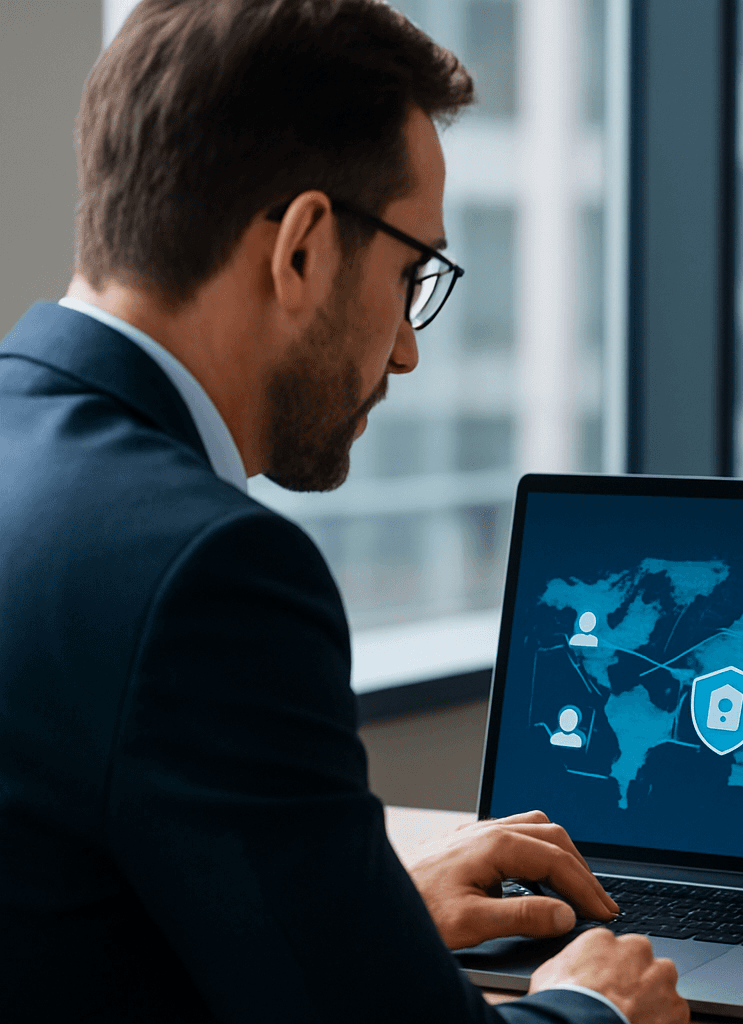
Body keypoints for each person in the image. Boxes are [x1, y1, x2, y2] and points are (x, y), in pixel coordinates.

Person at [0, 3, 686, 1022]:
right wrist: (594, 1007)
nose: (408, 348)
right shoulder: (209, 573)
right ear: (306, 247)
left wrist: (363, 913)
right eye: (413, 275)